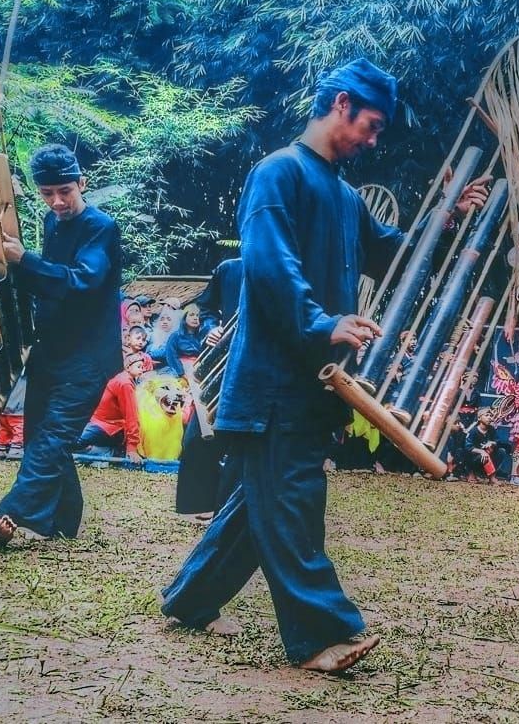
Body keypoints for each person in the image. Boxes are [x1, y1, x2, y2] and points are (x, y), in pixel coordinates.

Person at [159, 58, 490, 673]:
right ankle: (321, 633)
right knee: (289, 499)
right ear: (341, 103)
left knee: (257, 509)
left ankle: (188, 599)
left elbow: (395, 254)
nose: (372, 139)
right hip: (271, 378)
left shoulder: (344, 196)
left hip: (314, 382)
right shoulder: (277, 173)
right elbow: (268, 264)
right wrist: (322, 322)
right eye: (370, 124)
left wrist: (446, 220)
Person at [0, 144, 122, 545]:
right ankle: (63, 523)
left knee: (54, 436)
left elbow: (82, 281)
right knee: (39, 438)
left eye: (65, 190)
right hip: (51, 350)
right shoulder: (51, 222)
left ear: (83, 182)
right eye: (48, 193)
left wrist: (24, 259)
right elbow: (42, 284)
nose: (58, 201)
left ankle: (11, 512)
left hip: (89, 356)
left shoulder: (102, 226)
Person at [175, 257, 241, 521]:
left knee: (244, 443)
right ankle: (202, 503)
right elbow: (206, 308)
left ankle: (231, 508)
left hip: (266, 364)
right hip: (224, 362)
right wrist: (211, 329)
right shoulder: (229, 269)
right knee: (200, 434)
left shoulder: (291, 264)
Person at [77, 351, 146, 461]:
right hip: (101, 423)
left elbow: (131, 415)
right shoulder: (123, 381)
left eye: (143, 367)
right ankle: (104, 451)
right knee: (69, 440)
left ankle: (109, 452)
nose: (142, 370)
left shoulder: (126, 383)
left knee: (72, 443)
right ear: (128, 367)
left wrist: (132, 447)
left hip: (111, 427)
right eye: (139, 367)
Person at [164, 303, 203, 377]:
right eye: (191, 315)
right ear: (184, 318)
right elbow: (171, 356)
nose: (195, 318)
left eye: (197, 315)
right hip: (184, 369)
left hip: (200, 368)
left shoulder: (201, 336)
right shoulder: (176, 336)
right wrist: (181, 373)